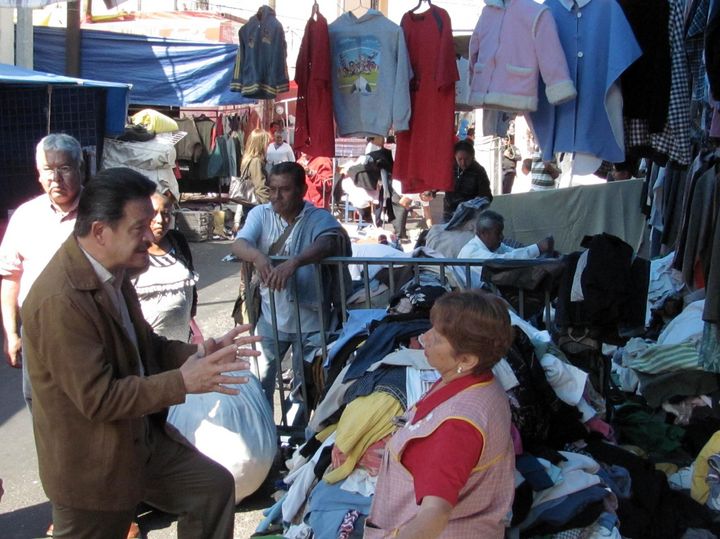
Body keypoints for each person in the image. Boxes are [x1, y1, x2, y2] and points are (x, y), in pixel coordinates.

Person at [21, 167, 261, 539]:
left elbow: (146, 347)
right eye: (139, 228)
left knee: (210, 488)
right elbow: (99, 399)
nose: (150, 236)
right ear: (100, 231)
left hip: (138, 442)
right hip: (91, 465)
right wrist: (182, 382)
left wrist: (201, 351)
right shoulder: (60, 300)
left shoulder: (113, 272)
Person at [365, 290, 515, 538]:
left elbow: (435, 515)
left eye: (437, 337)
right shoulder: (481, 383)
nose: (424, 337)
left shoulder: (455, 427)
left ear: (466, 360)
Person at [232, 161, 349, 407]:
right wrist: (257, 256)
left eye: (284, 190)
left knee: (307, 388)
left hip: (312, 323)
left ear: (302, 190)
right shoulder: (260, 214)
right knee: (258, 382)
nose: (276, 196)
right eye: (272, 189)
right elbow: (239, 243)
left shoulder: (317, 217)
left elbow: (329, 241)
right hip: (270, 318)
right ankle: (265, 427)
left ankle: (301, 429)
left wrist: (294, 262)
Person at [0, 134, 83, 409]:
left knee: (89, 406)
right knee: (41, 405)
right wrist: (12, 334)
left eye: (65, 168)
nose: (56, 178)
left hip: (88, 330)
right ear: (38, 174)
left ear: (80, 168)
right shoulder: (25, 216)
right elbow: (11, 278)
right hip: (37, 332)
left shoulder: (99, 212)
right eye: (48, 169)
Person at [131, 190, 197, 342]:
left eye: (166, 213)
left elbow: (191, 279)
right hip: (145, 344)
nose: (160, 220)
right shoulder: (130, 249)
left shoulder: (178, 240)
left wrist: (191, 309)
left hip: (181, 341)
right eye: (153, 213)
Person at [458, 210, 554, 260]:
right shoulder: (471, 251)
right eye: (498, 233)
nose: (502, 237)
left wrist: (538, 255)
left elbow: (515, 255)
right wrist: (538, 248)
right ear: (484, 233)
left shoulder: (495, 247)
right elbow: (501, 262)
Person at [443, 140, 492, 222]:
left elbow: (486, 196)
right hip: (449, 214)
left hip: (469, 217)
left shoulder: (479, 171)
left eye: (466, 159)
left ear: (472, 156)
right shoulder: (449, 168)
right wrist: (432, 191)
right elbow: (440, 183)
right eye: (460, 159)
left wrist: (471, 205)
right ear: (455, 157)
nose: (463, 163)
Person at [233, 128, 271, 233]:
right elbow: (260, 187)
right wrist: (270, 207)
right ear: (261, 144)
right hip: (256, 205)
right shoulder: (256, 161)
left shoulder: (247, 159)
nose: (268, 146)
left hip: (249, 203)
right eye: (266, 143)